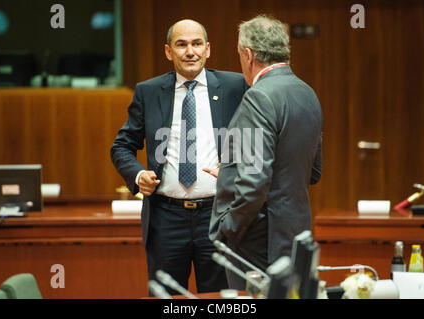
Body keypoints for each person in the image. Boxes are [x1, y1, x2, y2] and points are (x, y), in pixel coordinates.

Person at [111, 19, 248, 294]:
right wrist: (138, 176)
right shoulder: (148, 92)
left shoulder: (235, 86)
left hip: (218, 215)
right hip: (166, 217)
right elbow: (122, 146)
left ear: (208, 49)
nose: (190, 51)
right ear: (168, 51)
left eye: (197, 44)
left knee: (222, 299)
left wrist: (235, 166)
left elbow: (255, 140)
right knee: (168, 297)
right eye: (181, 44)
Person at [208, 15, 323, 289]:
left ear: (248, 55)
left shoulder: (259, 96)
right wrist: (230, 171)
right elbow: (313, 172)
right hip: (295, 232)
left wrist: (228, 228)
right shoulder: (307, 93)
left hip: (258, 238)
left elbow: (254, 184)